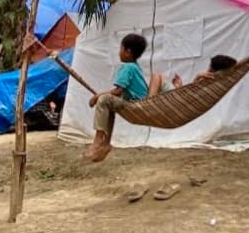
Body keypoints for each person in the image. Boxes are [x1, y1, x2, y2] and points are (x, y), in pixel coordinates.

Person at [85, 33, 155, 162]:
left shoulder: (127, 67)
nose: (119, 52)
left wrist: (97, 96)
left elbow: (118, 91)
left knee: (104, 100)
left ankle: (98, 140)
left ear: (128, 51)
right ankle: (106, 144)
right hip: (140, 104)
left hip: (136, 105)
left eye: (120, 49)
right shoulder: (135, 67)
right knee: (109, 106)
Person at [170, 54, 237, 88]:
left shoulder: (207, 79)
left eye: (210, 66)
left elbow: (190, 94)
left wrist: (198, 77)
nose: (208, 68)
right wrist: (179, 86)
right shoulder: (207, 79)